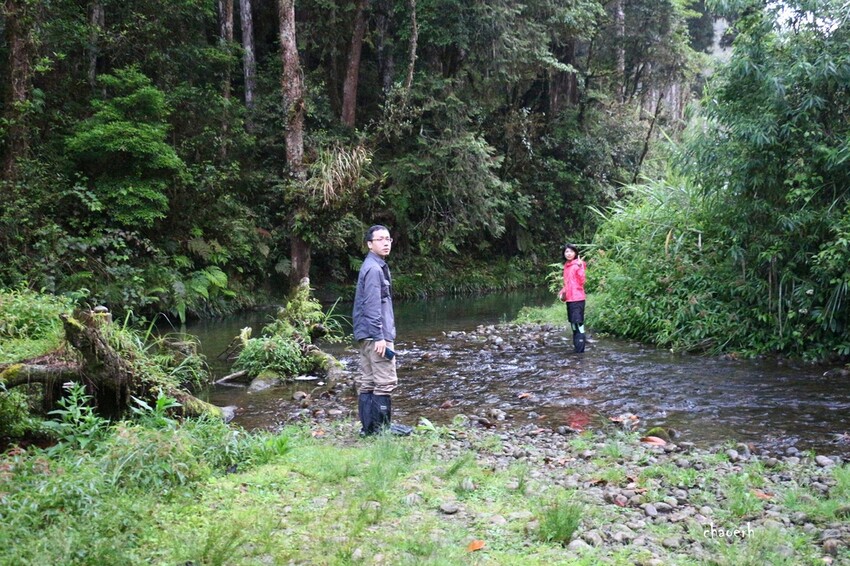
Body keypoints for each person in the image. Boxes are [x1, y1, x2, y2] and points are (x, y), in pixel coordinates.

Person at [352, 225, 412, 436]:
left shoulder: (372, 266)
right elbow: (372, 305)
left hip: (366, 334)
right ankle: (382, 429)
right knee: (385, 383)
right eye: (380, 239)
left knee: (368, 382)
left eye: (388, 239)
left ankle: (369, 428)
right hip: (376, 335)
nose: (386, 243)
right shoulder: (374, 269)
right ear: (370, 244)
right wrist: (380, 337)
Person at [558, 243, 587, 353]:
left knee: (579, 324)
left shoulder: (579, 264)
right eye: (566, 252)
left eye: (571, 251)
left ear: (575, 253)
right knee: (573, 325)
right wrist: (562, 293)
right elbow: (567, 283)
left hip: (578, 299)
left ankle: (580, 354)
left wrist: (580, 267)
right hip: (570, 299)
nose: (568, 254)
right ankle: (577, 351)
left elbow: (582, 281)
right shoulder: (567, 265)